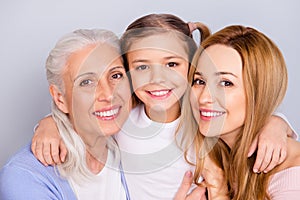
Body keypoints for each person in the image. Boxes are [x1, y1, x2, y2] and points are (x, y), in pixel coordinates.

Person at [30, 14, 296, 199]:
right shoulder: (124, 115)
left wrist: (275, 124)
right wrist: (50, 123)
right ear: (127, 73)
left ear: (192, 68)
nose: (158, 79)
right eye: (142, 67)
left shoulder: (200, 117)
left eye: (172, 64)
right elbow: (88, 112)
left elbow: (252, 113)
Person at [0, 29, 132, 199]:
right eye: (87, 82)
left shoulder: (130, 146)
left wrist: (49, 122)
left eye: (116, 75)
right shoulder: (24, 177)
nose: (109, 95)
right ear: (60, 98)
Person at [184, 25, 300, 199]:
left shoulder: (292, 178)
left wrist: (218, 191)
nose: (204, 98)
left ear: (260, 93)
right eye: (199, 81)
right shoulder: (214, 153)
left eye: (225, 83)